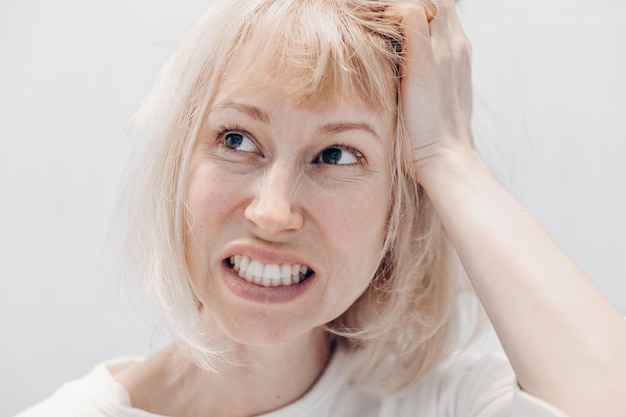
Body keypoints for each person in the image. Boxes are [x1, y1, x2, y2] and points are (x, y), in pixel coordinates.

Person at [15, 0, 626, 416]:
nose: (272, 212)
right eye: (236, 140)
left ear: (398, 207)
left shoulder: (446, 403)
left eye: (336, 155)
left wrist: (449, 157)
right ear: (181, 164)